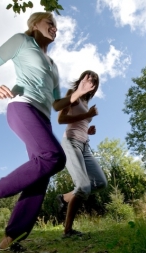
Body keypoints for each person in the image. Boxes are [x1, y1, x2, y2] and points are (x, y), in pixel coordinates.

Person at [0, 12, 96, 253]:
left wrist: (79, 92)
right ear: (34, 24)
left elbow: (56, 104)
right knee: (54, 157)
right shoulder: (22, 41)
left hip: (43, 117)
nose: (54, 28)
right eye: (50, 23)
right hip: (22, 107)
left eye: (56, 26)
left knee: (41, 175)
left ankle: (9, 245)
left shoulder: (53, 66)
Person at [56, 70, 108, 238]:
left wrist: (88, 130)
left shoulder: (85, 103)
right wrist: (87, 115)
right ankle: (68, 231)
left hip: (84, 145)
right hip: (70, 142)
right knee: (84, 186)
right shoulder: (73, 94)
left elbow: (79, 122)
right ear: (82, 79)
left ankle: (64, 198)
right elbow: (61, 120)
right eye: (88, 77)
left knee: (100, 183)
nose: (91, 81)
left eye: (94, 81)